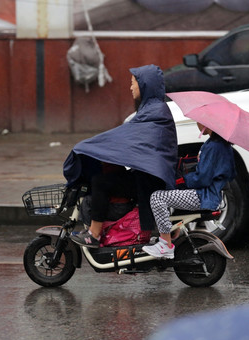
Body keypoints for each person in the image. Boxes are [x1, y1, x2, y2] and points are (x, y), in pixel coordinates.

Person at [64, 64, 178, 248]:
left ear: (145, 85)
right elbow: (130, 137)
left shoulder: (154, 111)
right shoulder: (153, 108)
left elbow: (126, 136)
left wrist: (90, 146)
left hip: (149, 182)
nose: (130, 87)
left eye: (133, 83)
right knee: (107, 175)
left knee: (101, 182)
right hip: (145, 176)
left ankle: (94, 234)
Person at [141, 124, 236, 258]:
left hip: (203, 196)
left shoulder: (214, 146)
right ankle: (170, 232)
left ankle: (165, 245)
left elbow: (202, 179)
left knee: (157, 197)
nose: (197, 123)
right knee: (167, 195)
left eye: (198, 121)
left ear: (206, 123)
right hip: (210, 195)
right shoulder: (220, 144)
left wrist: (182, 180)